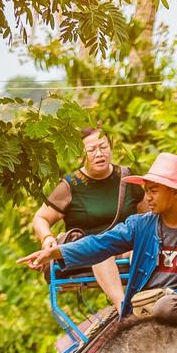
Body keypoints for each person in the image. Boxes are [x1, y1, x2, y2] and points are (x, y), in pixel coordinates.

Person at [19, 152, 177, 318]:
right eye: (146, 190)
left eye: (154, 191)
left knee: (168, 307)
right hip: (146, 304)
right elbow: (100, 244)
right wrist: (56, 252)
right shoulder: (139, 225)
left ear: (176, 193)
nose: (147, 197)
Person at [32, 126, 142, 308]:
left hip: (126, 247)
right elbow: (41, 218)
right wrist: (47, 238)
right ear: (80, 154)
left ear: (111, 148)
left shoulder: (127, 177)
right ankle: (123, 307)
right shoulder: (71, 184)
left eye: (104, 147)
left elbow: (150, 216)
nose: (99, 154)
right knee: (100, 250)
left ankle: (145, 298)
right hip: (91, 251)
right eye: (91, 150)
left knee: (144, 244)